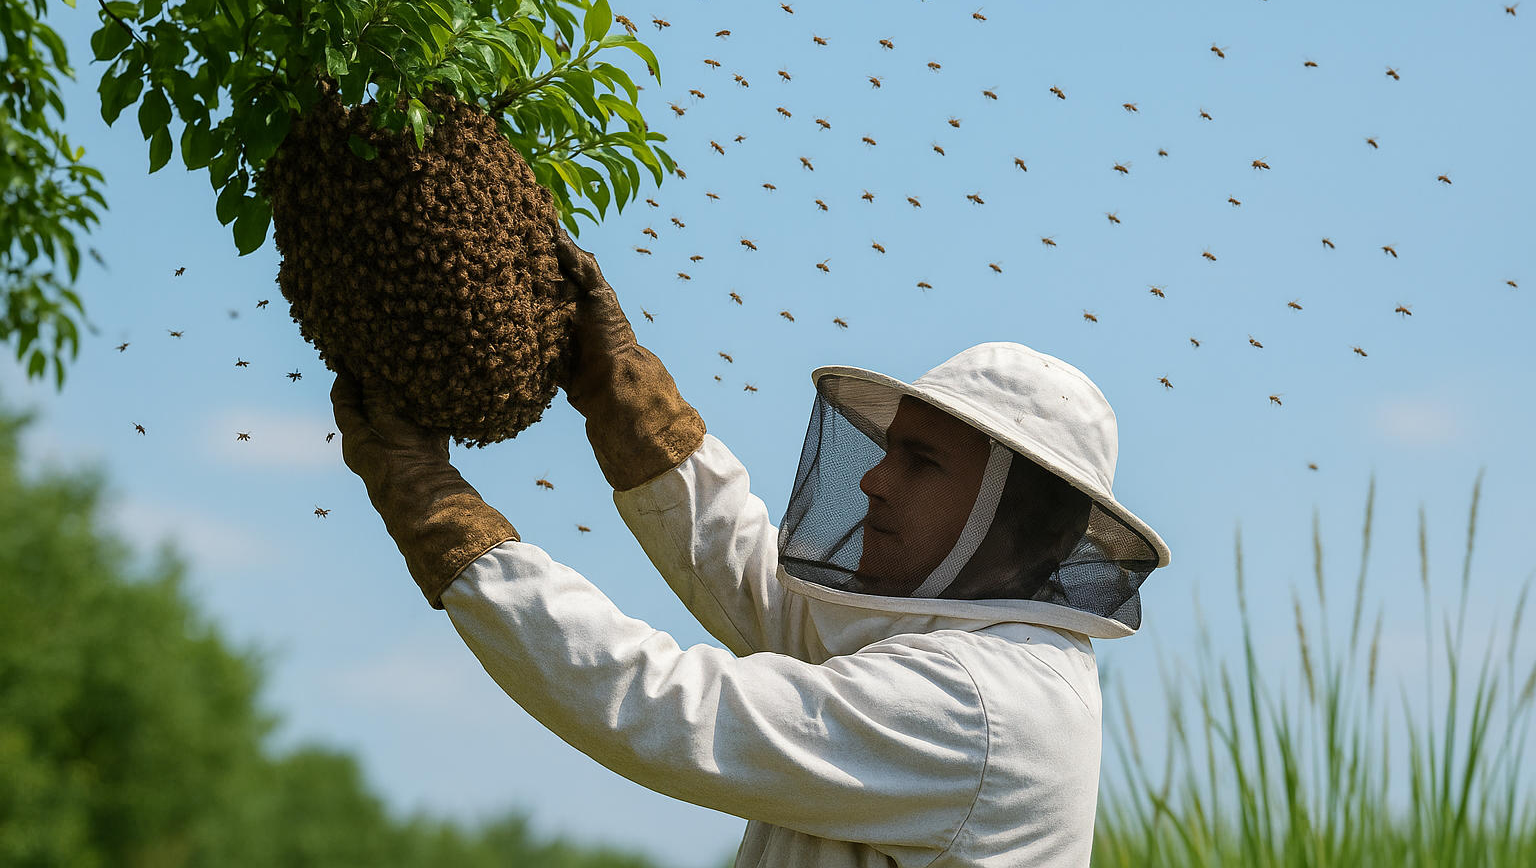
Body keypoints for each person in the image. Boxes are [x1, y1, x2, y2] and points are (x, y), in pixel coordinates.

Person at [330, 231, 1170, 868]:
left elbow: (673, 709)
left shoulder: (982, 706)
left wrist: (446, 521)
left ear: (1015, 518)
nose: (875, 482)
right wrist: (625, 398)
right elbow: (756, 582)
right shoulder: (939, 651)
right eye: (887, 449)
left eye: (921, 462)